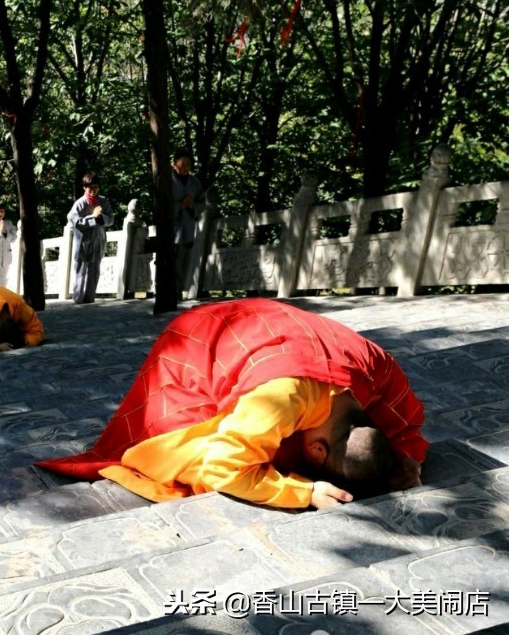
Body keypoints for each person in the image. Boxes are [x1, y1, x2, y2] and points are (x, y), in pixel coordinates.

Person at [36, 298, 428, 510]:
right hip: (196, 339)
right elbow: (222, 468)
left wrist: (404, 462)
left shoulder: (378, 368)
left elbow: (404, 428)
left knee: (263, 445)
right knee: (181, 458)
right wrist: (301, 492)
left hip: (274, 322)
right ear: (318, 450)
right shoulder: (280, 398)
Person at [67, 172, 112, 304]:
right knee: (80, 270)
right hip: (83, 243)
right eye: (90, 187)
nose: (93, 189)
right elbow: (78, 223)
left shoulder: (103, 201)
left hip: (98, 240)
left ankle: (90, 298)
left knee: (95, 270)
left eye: (96, 186)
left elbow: (111, 219)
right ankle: (78, 298)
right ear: (84, 188)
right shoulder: (79, 203)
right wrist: (93, 217)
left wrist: (100, 218)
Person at [171, 149, 204, 294]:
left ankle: (181, 290)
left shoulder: (195, 182)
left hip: (189, 228)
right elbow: (162, 204)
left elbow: (202, 203)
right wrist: (180, 206)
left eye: (188, 165)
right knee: (172, 262)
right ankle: (171, 291)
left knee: (185, 261)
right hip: (173, 228)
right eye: (182, 164)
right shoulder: (168, 180)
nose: (185, 168)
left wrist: (191, 205)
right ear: (174, 164)